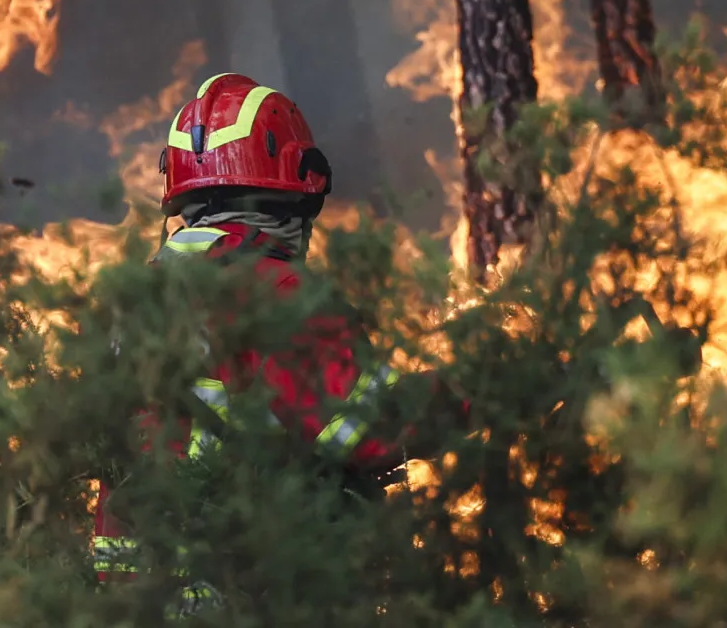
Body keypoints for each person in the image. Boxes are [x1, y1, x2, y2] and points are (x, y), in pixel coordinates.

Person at [92, 73, 463, 617]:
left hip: (134, 601)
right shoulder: (277, 292)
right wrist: (489, 385)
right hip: (245, 597)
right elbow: (372, 429)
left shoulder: (131, 296)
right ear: (299, 189)